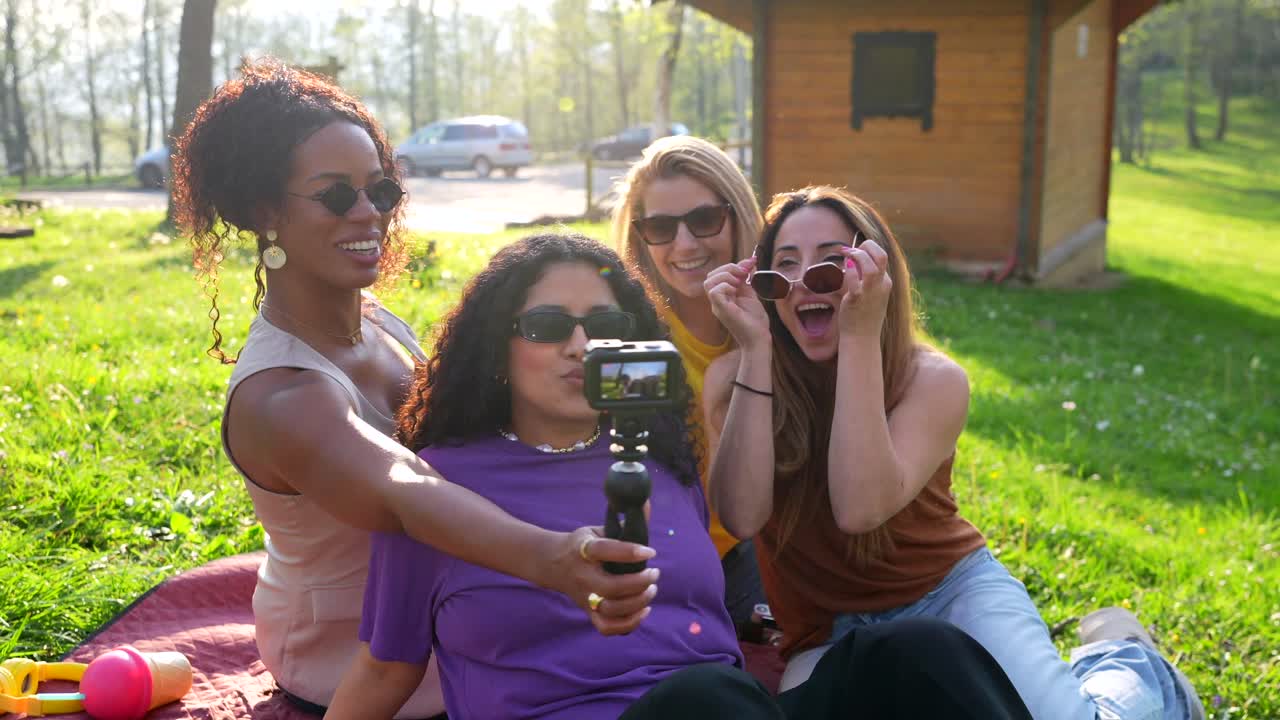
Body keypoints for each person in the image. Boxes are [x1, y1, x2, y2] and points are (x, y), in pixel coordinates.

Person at [324, 232, 1033, 720]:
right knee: (704, 702)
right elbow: (386, 669)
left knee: (916, 653)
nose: (580, 345)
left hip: (727, 708)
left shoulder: (659, 461)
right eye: (545, 326)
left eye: (603, 324)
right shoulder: (439, 489)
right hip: (685, 711)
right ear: (494, 349)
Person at [171, 60, 657, 718]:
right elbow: (407, 493)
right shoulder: (280, 396)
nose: (369, 212)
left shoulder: (380, 323)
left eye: (382, 190)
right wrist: (552, 558)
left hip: (451, 628)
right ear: (266, 212)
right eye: (337, 195)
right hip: (352, 674)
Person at [701, 185, 1207, 720]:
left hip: (949, 595)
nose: (805, 283)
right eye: (784, 268)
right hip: (824, 629)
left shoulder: (934, 380)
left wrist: (859, 337)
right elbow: (743, 515)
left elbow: (858, 507)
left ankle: (1130, 663)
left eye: (832, 265)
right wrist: (756, 350)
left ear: (877, 276)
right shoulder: (734, 378)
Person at [609, 136, 767, 631]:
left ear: (738, 216)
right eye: (660, 227)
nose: (685, 245)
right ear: (640, 238)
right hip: (672, 568)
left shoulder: (786, 312)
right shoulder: (630, 339)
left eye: (704, 220)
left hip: (771, 548)